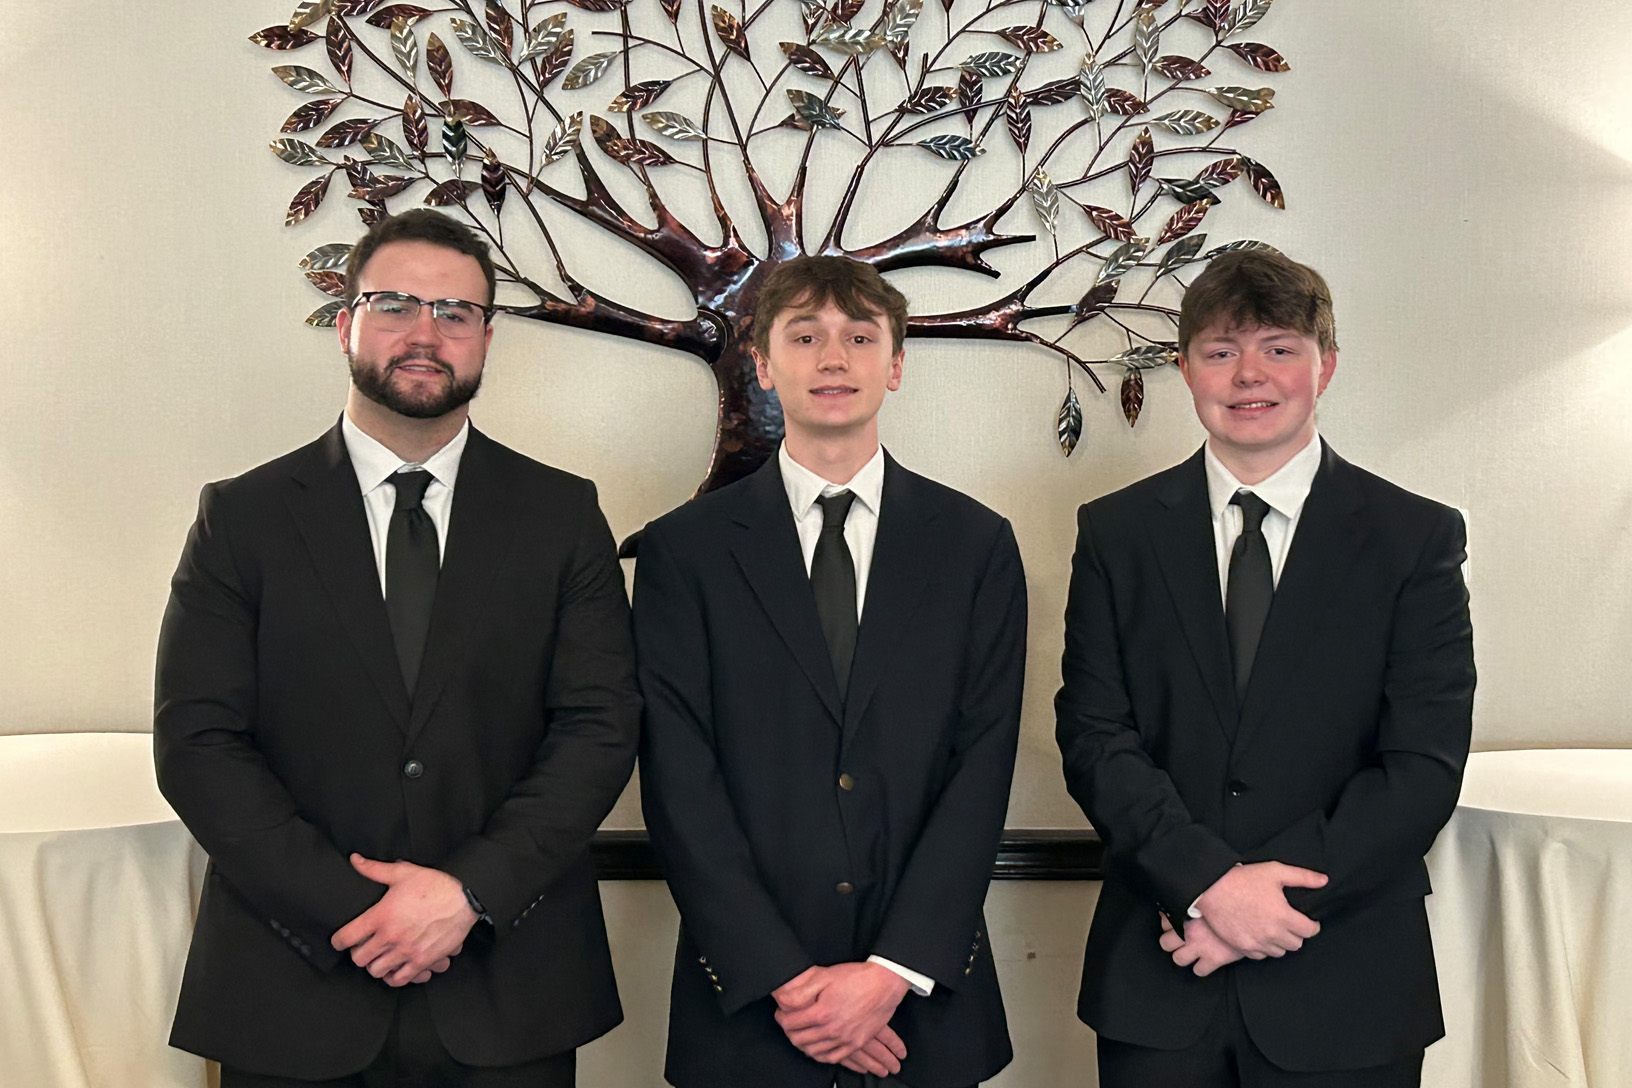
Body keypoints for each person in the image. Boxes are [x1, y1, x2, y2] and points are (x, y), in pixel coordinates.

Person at [154, 209, 640, 1087]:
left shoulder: (562, 516)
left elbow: (599, 731)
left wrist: (464, 896)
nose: (425, 333)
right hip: (293, 982)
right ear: (345, 325)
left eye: (455, 313)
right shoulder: (243, 518)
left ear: (487, 341)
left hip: (507, 986)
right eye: (394, 305)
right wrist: (360, 914)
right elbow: (198, 746)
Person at [1055, 249, 1475, 1087]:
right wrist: (1206, 884)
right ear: (1185, 370)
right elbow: (1096, 736)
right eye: (1220, 352)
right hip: (1162, 972)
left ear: (1326, 365)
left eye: (1279, 348)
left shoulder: (1414, 538)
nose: (1250, 375)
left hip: (1346, 980)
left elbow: (1421, 765)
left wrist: (1263, 906)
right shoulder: (1118, 534)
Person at [633, 256, 1025, 1088]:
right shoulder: (683, 551)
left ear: (897, 363)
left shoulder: (976, 545)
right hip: (747, 1006)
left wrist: (890, 975)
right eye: (804, 337)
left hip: (923, 1007)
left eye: (859, 336)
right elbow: (678, 777)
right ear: (765, 364)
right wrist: (789, 982)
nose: (834, 359)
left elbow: (982, 766)